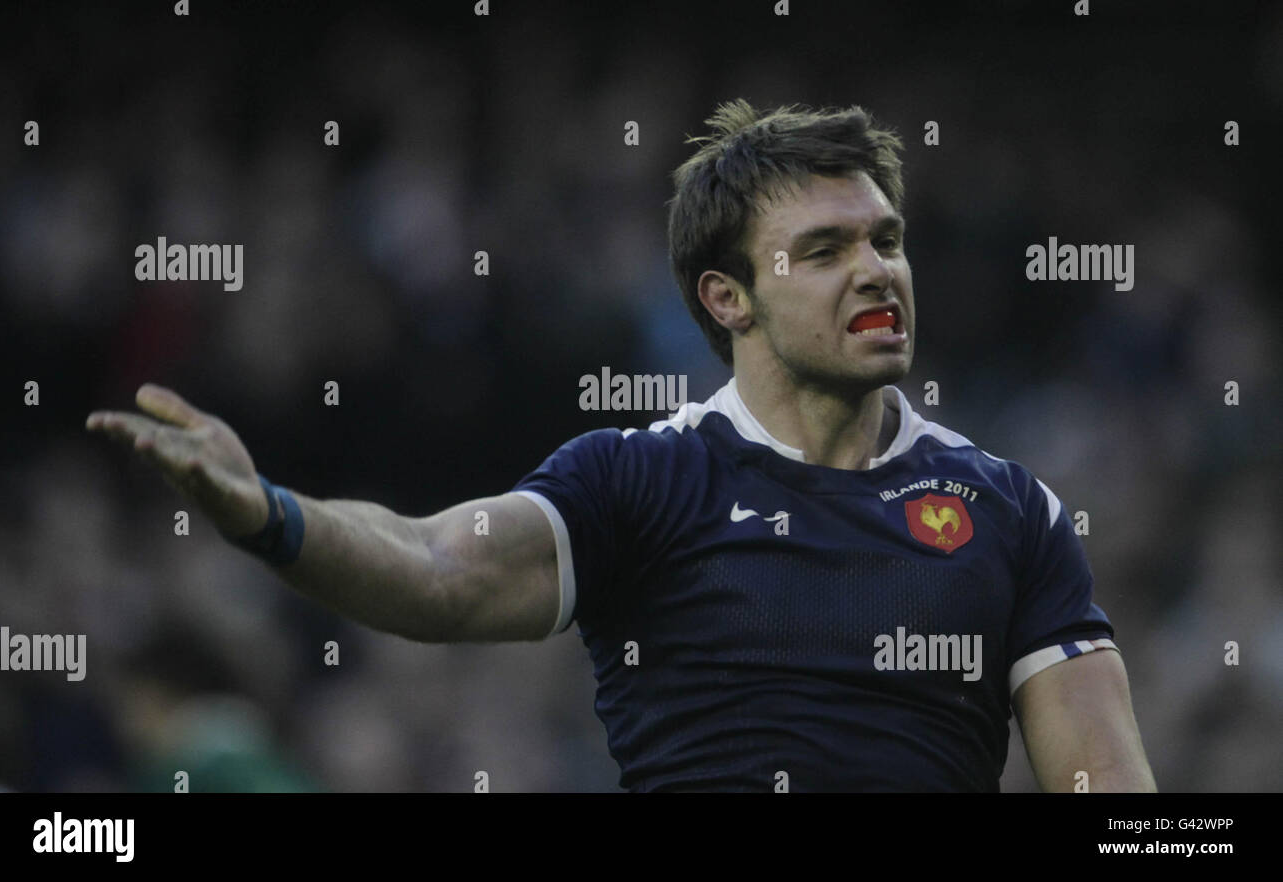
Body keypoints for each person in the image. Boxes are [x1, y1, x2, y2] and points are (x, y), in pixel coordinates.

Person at [87, 99, 1156, 792]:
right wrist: (269, 512)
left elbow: (1107, 792)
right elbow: (434, 567)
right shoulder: (640, 480)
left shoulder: (1008, 508)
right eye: (824, 250)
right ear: (726, 298)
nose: (876, 270)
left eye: (886, 241)